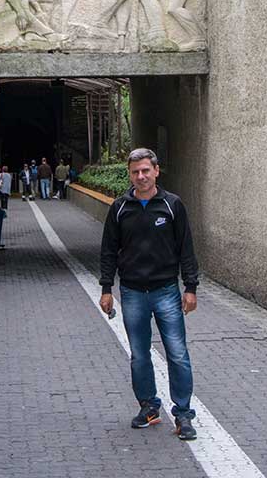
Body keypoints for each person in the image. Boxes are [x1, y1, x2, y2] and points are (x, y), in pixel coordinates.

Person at [98, 148, 199, 441]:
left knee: (177, 355)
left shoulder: (172, 206)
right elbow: (108, 252)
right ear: (129, 175)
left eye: (145, 170)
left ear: (156, 170)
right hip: (131, 293)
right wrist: (106, 289)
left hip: (166, 291)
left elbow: (186, 250)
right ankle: (149, 407)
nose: (140, 176)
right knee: (139, 355)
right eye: (135, 172)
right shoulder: (120, 208)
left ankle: (183, 414)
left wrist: (190, 288)